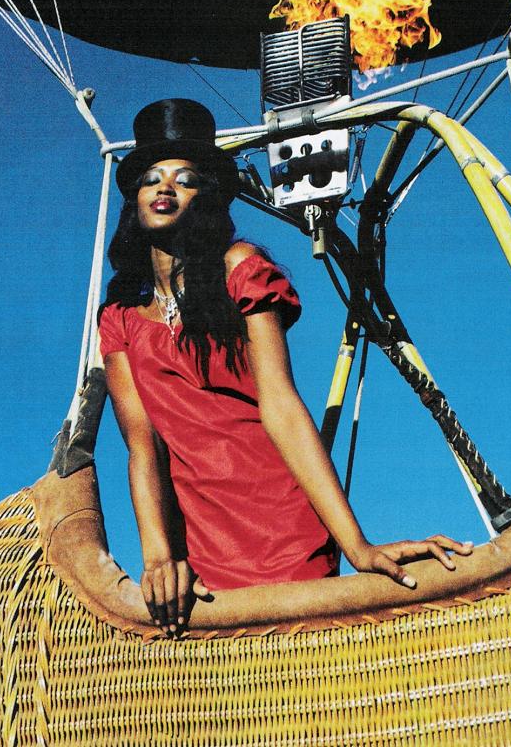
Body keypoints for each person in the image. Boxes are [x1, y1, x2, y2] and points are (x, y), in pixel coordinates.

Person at [99, 99, 473, 635]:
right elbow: (144, 446)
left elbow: (281, 406)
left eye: (185, 180)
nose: (166, 188)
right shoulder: (118, 319)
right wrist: (159, 557)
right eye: (151, 179)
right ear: (134, 199)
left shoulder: (240, 269)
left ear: (207, 196)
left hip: (282, 523)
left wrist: (357, 545)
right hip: (201, 542)